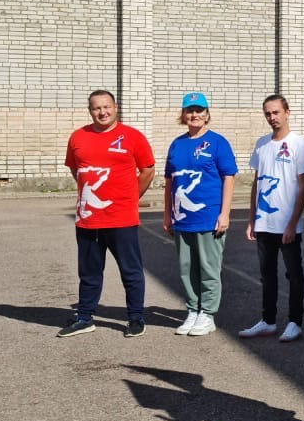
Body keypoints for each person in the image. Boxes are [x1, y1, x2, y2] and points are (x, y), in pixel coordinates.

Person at [60, 89, 155, 338]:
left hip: (121, 219)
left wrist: (130, 199)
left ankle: (135, 318)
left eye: (106, 107)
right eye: (96, 108)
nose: (102, 112)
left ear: (116, 107)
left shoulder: (132, 136)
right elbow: (77, 171)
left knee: (130, 271)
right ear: (90, 110)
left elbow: (147, 171)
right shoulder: (78, 137)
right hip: (88, 219)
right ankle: (84, 317)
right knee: (89, 272)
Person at [163, 92, 238, 337]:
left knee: (208, 267)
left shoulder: (217, 142)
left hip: (208, 218)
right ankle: (193, 310)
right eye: (190, 111)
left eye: (199, 110)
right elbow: (169, 182)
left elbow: (229, 177)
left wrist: (224, 214)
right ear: (183, 115)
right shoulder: (177, 144)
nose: (194, 115)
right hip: (182, 219)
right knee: (186, 268)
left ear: (207, 114)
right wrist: (167, 215)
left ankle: (207, 313)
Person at [239, 94, 304, 342]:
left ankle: (295, 322)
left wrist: (293, 223)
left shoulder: (298, 144)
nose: (272, 117)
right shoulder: (261, 144)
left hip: (287, 224)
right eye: (268, 113)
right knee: (267, 274)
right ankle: (268, 321)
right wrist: (252, 220)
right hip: (264, 223)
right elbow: (257, 183)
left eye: (276, 112)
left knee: (294, 274)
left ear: (287, 112)